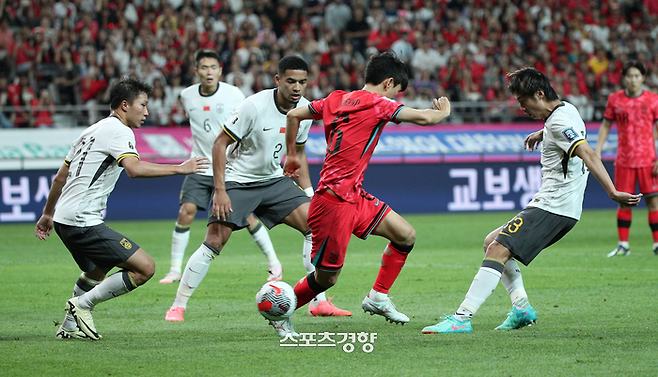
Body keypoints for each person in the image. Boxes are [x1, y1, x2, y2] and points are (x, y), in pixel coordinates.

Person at [421, 67, 642, 335]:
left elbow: (588, 153)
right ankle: (521, 307)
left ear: (539, 94)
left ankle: (462, 317)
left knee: (497, 250)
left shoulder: (558, 123)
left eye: (523, 101)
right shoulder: (564, 112)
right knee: (492, 241)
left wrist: (612, 191)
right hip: (559, 207)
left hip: (553, 206)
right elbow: (566, 131)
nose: (521, 107)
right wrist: (543, 132)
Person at [165, 55, 351, 324]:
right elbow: (219, 145)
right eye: (290, 81)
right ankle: (177, 306)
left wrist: (309, 192)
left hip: (274, 180)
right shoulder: (253, 106)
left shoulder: (307, 110)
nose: (297, 87)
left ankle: (317, 302)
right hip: (239, 180)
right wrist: (220, 189)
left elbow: (299, 152)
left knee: (317, 226)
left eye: (302, 82)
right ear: (278, 80)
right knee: (215, 240)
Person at [281, 51, 451, 337]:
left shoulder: (334, 99)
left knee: (405, 235)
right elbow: (424, 118)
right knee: (326, 278)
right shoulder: (379, 104)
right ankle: (281, 312)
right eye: (398, 90)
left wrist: (292, 156)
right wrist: (444, 111)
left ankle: (377, 297)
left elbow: (293, 113)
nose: (396, 96)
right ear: (388, 83)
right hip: (333, 202)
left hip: (353, 196)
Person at [34, 77, 209, 340]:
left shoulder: (90, 131)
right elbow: (134, 170)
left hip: (63, 219)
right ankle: (82, 305)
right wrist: (180, 168)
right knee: (145, 268)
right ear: (125, 105)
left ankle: (69, 327)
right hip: (83, 221)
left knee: (95, 271)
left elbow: (60, 177)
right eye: (143, 104)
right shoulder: (119, 131)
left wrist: (48, 214)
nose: (147, 112)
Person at [158, 50, 285, 285]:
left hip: (229, 167)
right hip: (199, 164)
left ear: (220, 70)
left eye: (213, 67)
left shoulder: (234, 94)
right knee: (185, 212)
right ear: (196, 71)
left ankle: (273, 262)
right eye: (204, 68)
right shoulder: (186, 95)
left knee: (247, 217)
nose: (209, 72)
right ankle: (175, 269)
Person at [594, 60, 658, 257]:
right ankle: (623, 245)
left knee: (653, 203)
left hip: (649, 160)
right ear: (624, 78)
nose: (633, 80)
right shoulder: (615, 100)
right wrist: (598, 149)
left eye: (637, 76)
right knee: (623, 201)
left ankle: (656, 244)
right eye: (630, 76)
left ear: (643, 78)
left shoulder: (653, 100)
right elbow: (606, 125)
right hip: (624, 160)